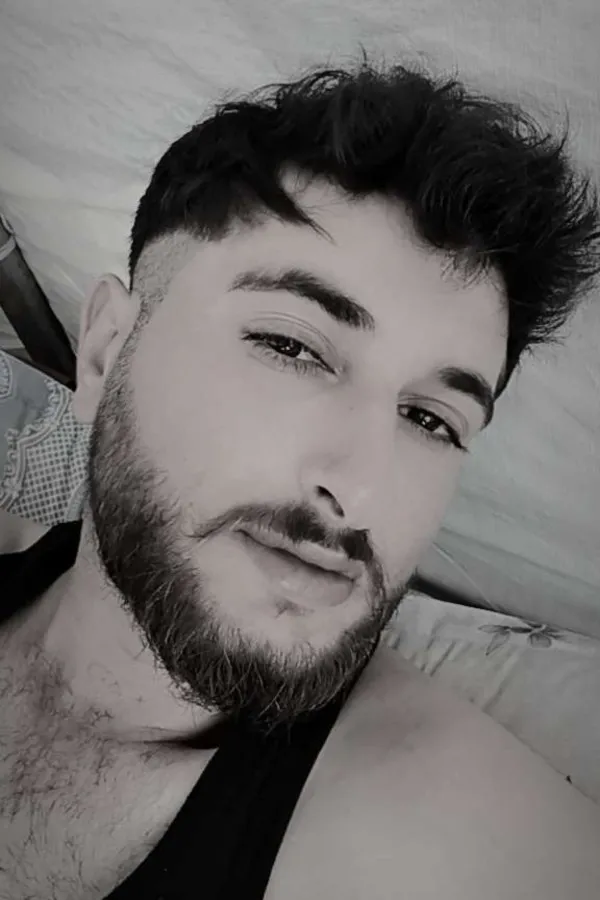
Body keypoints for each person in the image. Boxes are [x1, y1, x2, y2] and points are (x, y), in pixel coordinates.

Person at [1, 55, 600, 900]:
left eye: (431, 419)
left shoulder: (440, 833)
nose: (359, 492)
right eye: (291, 347)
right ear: (103, 352)